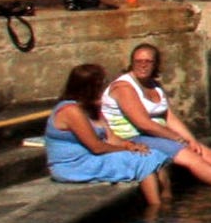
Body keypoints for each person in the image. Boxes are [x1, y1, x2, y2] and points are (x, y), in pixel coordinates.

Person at [104, 43, 211, 187]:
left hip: (153, 134)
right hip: (132, 138)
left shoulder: (154, 85)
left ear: (156, 64)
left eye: (148, 62)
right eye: (138, 61)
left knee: (202, 150)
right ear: (132, 63)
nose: (143, 65)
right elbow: (143, 123)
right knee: (191, 158)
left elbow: (169, 116)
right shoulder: (124, 87)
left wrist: (190, 139)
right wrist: (176, 138)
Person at [42, 62, 172, 208]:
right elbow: (96, 147)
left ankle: (167, 203)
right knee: (142, 161)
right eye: (102, 83)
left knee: (154, 154)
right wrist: (127, 149)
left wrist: (130, 145)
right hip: (74, 166)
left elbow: (111, 137)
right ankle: (156, 208)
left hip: (92, 158)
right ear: (90, 87)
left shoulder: (90, 107)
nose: (105, 87)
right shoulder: (71, 111)